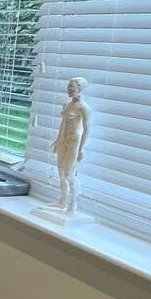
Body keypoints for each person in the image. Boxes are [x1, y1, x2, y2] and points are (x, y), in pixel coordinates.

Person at [51, 76, 90, 213]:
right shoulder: (66, 105)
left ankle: (73, 203)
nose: (69, 89)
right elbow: (63, 124)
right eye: (68, 86)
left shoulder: (83, 107)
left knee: (69, 173)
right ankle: (62, 200)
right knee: (60, 171)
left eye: (71, 87)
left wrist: (81, 149)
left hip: (74, 142)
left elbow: (86, 129)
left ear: (79, 88)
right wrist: (57, 140)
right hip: (63, 140)